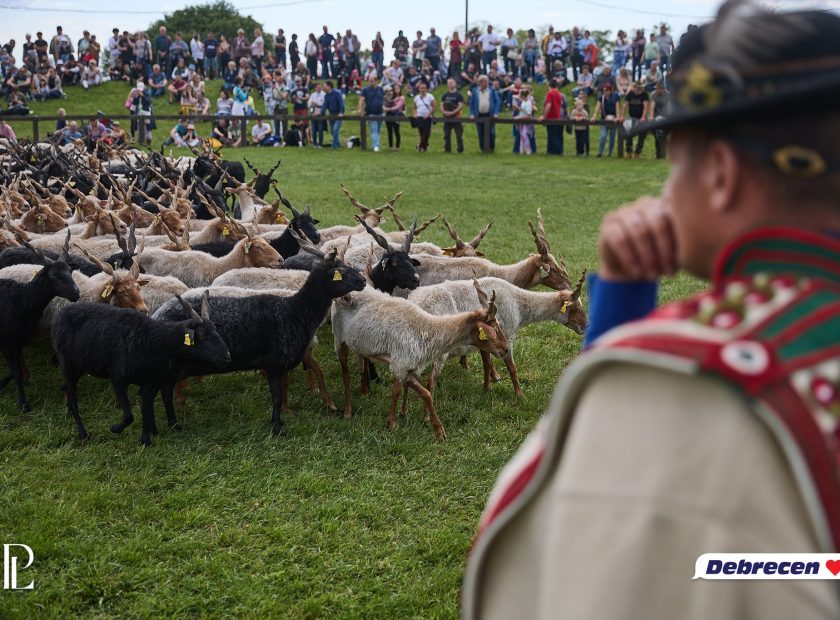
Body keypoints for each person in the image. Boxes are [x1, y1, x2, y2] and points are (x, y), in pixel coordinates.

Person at [463, 5, 840, 620]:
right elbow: (819, 567)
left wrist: (616, 335)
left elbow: (556, 570)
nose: (665, 191)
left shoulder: (685, 388)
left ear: (720, 174)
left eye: (674, 161)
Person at [469, 74, 500, 152]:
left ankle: (491, 148)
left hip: (490, 115)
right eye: (485, 81)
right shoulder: (475, 91)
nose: (487, 83)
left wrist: (496, 112)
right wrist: (472, 114)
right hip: (479, 115)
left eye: (487, 81)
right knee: (480, 132)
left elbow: (497, 102)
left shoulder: (492, 90)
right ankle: (483, 149)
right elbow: (471, 103)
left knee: (491, 132)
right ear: (480, 82)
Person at [622, 81, 649, 157]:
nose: (638, 89)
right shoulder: (630, 94)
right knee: (628, 131)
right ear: (634, 87)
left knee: (642, 133)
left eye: (639, 87)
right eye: (636, 87)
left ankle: (638, 151)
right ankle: (629, 150)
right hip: (632, 117)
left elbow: (645, 107)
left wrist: (643, 117)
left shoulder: (644, 94)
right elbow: (625, 105)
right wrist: (622, 116)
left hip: (641, 118)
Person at [359, 75, 385, 152]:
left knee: (378, 130)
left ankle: (375, 143)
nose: (370, 83)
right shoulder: (365, 90)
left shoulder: (381, 89)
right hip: (371, 113)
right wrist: (360, 110)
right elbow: (362, 100)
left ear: (376, 81)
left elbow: (386, 98)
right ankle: (376, 146)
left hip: (380, 113)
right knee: (374, 130)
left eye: (372, 81)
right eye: (369, 81)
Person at [593, 82, 620, 157]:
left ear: (610, 90)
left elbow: (617, 107)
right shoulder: (601, 98)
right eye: (604, 90)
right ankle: (600, 152)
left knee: (612, 137)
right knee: (603, 136)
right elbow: (597, 107)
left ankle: (609, 152)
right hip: (604, 119)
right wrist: (594, 116)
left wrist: (617, 117)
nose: (605, 92)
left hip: (613, 120)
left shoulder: (615, 96)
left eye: (606, 90)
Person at [541, 77, 566, 155]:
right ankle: (554, 151)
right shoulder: (559, 94)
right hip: (558, 116)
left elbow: (548, 105)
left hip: (551, 117)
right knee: (557, 135)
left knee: (552, 136)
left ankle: (558, 150)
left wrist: (544, 116)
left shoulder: (550, 93)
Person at [440, 77, 464, 154]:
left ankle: (460, 150)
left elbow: (460, 106)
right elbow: (441, 105)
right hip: (447, 117)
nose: (449, 84)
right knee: (446, 135)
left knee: (459, 135)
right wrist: (444, 112)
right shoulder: (445, 95)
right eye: (448, 83)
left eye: (451, 82)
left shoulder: (459, 95)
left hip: (456, 117)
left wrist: (453, 112)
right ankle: (447, 150)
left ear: (455, 83)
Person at [412, 80, 435, 152]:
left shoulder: (430, 96)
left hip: (427, 118)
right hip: (419, 117)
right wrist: (415, 114)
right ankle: (424, 147)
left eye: (424, 88)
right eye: (421, 88)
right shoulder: (416, 97)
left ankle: (419, 145)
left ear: (426, 89)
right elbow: (414, 107)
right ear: (419, 89)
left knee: (427, 133)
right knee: (421, 133)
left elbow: (434, 106)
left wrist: (429, 114)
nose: (422, 90)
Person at [513, 85, 536, 155]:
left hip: (527, 121)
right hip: (522, 120)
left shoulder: (528, 102)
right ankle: (521, 150)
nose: (520, 97)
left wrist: (518, 117)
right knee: (522, 135)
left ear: (523, 96)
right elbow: (523, 110)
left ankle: (528, 150)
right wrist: (518, 109)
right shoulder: (524, 101)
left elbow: (528, 115)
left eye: (521, 96)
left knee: (524, 135)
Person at [321, 80, 344, 149]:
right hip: (331, 115)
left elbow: (341, 103)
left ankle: (333, 146)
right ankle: (338, 144)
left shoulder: (337, 93)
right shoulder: (326, 96)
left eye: (324, 86)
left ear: (329, 86)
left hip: (338, 114)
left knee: (335, 129)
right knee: (332, 131)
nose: (323, 88)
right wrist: (321, 112)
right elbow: (325, 105)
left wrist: (341, 112)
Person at [648, 80, 668, 159]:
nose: (657, 90)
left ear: (663, 89)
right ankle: (658, 154)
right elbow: (652, 106)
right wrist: (651, 116)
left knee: (664, 136)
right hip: (656, 118)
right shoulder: (653, 94)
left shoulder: (668, 95)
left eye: (659, 89)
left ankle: (663, 154)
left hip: (666, 117)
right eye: (656, 88)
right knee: (657, 136)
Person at [383, 83, 404, 150]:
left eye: (397, 88)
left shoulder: (401, 97)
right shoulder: (391, 97)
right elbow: (385, 104)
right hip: (389, 114)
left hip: (396, 114)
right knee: (389, 131)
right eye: (395, 89)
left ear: (400, 89)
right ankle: (391, 146)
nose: (396, 90)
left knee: (396, 131)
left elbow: (398, 107)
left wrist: (388, 109)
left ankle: (397, 147)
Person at [308, 81, 326, 147]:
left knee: (320, 129)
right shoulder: (313, 95)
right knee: (314, 129)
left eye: (320, 87)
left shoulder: (324, 95)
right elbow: (309, 103)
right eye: (318, 87)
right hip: (313, 113)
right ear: (315, 88)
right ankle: (314, 143)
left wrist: (317, 104)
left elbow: (324, 104)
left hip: (320, 113)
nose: (319, 89)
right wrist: (312, 104)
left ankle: (320, 143)